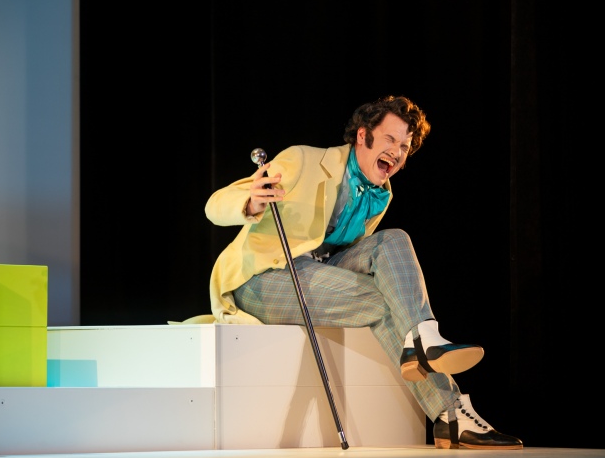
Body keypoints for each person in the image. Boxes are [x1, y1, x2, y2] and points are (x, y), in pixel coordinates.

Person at [202, 95, 522, 450]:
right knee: (384, 303)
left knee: (394, 241)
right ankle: (450, 413)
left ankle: (424, 336)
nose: (397, 152)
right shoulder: (303, 160)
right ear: (362, 135)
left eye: (405, 146)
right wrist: (251, 201)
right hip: (264, 278)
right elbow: (214, 206)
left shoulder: (379, 194)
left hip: (317, 272)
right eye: (390, 139)